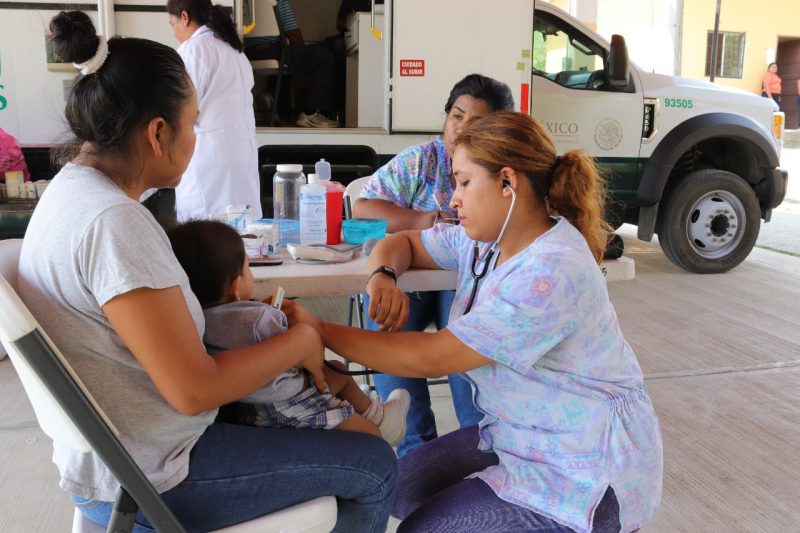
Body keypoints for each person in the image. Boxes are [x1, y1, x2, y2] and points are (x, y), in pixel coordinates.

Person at [18, 11, 397, 532]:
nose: (195, 136)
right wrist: (300, 340)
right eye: (193, 123)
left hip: (122, 453)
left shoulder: (70, 193)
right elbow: (193, 390)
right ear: (157, 132)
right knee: (375, 465)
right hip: (154, 472)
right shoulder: (114, 223)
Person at [286, 111, 663, 532]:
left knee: (423, 529)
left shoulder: (553, 270)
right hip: (515, 430)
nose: (452, 199)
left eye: (464, 182)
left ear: (507, 182)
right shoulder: (487, 242)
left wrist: (318, 331)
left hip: (580, 462)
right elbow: (403, 241)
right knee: (391, 486)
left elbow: (434, 357)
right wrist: (383, 277)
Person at [352, 73, 515, 456]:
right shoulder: (421, 161)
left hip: (462, 282)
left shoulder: (502, 175)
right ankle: (414, 449)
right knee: (383, 320)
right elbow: (363, 207)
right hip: (416, 276)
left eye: (476, 124)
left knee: (463, 331)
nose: (460, 129)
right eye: (456, 116)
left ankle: (476, 445)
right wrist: (421, 223)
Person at [167, 219, 410, 443]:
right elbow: (305, 356)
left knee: (340, 373)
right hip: (291, 405)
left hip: (247, 410)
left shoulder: (193, 321)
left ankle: (377, 415)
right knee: (372, 440)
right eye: (248, 268)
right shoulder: (261, 317)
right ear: (235, 285)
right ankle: (381, 424)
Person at [167, 0, 262, 221]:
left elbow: (182, 109)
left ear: (184, 17)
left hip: (209, 161)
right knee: (243, 235)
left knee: (205, 237)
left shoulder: (193, 49)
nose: (174, 33)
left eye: (172, 25)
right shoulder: (235, 51)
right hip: (241, 158)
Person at [244, 0, 340, 128]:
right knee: (323, 56)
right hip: (274, 50)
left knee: (290, 58)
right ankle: (310, 114)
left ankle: (271, 100)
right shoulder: (277, 0)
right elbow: (294, 34)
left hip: (246, 53)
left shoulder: (240, 2)